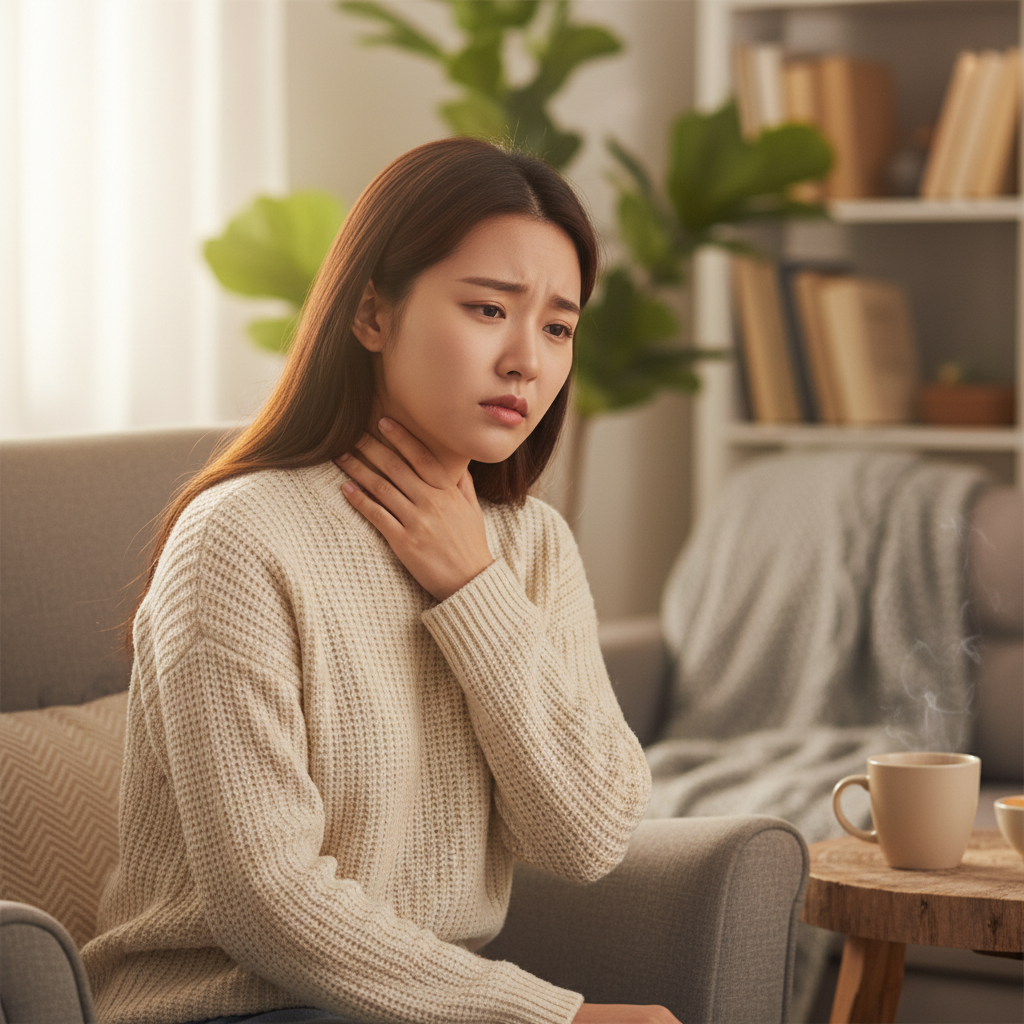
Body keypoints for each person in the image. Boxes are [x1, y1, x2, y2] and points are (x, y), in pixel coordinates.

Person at [82, 138, 678, 1024]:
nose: (527, 360)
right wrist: (555, 1018)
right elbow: (268, 903)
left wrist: (474, 587)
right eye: (487, 309)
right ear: (371, 314)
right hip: (228, 1008)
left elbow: (587, 838)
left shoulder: (531, 547)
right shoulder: (240, 539)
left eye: (557, 326)